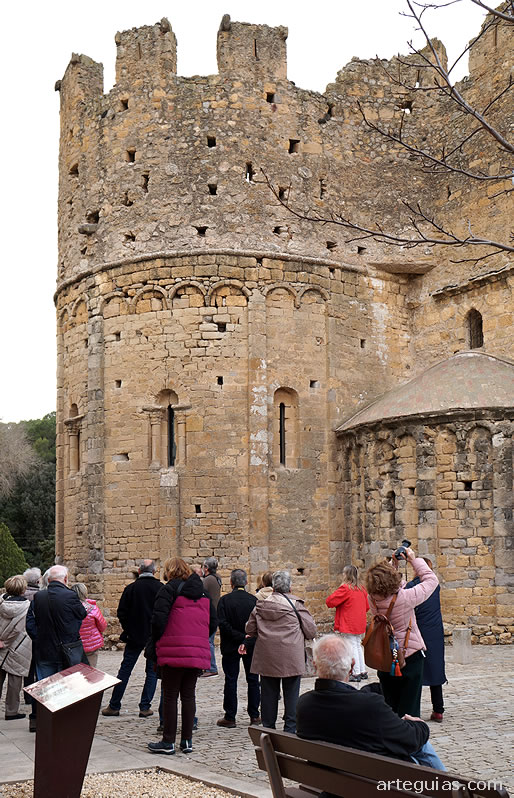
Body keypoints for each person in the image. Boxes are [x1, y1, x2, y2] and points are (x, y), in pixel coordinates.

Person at [297, 634, 445, 798]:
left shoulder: (304, 705)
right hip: (377, 787)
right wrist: (419, 725)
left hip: (333, 786)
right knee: (420, 744)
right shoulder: (369, 706)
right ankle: (448, 790)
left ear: (315, 665)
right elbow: (411, 739)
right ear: (352, 666)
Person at [147, 558, 216, 755]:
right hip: (196, 652)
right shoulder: (203, 593)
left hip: (172, 649)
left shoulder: (168, 590)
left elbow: (158, 620)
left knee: (169, 695)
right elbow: (213, 622)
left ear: (170, 571)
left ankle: (168, 741)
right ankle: (187, 741)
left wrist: (157, 642)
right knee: (188, 695)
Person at [365, 548, 438, 718]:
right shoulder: (405, 598)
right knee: (410, 709)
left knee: (390, 706)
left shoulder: (372, 598)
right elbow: (431, 580)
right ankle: (410, 740)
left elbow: (388, 586)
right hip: (408, 656)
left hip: (384, 655)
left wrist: (393, 565)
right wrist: (413, 559)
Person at [244, 570, 316, 734]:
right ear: (290, 587)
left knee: (268, 694)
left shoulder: (261, 605)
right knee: (291, 694)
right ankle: (290, 729)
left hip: (267, 655)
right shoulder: (297, 605)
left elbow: (250, 628)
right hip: (291, 655)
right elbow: (311, 631)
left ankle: (268, 729)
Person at [102, 559, 161, 718]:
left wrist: (129, 628)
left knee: (125, 670)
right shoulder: (161, 589)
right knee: (152, 672)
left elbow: (121, 612)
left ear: (139, 571)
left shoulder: (131, 589)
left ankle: (114, 705)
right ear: (154, 572)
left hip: (134, 635)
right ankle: (144, 707)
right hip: (153, 636)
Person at [216, 569, 260, 728]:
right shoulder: (253, 600)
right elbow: (258, 625)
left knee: (231, 679)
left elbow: (222, 623)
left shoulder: (224, 601)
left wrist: (239, 637)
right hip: (250, 644)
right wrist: (246, 638)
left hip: (230, 644)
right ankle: (255, 715)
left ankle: (230, 716)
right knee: (253, 680)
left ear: (231, 583)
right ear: (246, 582)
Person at [406, 557, 447, 722]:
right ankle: (438, 709)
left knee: (415, 670)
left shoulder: (411, 587)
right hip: (435, 632)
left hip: (418, 632)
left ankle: (413, 710)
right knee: (434, 669)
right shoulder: (435, 586)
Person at [325, 564, 369, 682]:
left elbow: (330, 601)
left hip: (348, 622)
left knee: (351, 646)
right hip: (359, 622)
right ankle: (362, 670)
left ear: (347, 575)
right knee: (358, 645)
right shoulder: (361, 589)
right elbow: (367, 607)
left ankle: (355, 672)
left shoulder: (346, 588)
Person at [0, 575, 31, 720]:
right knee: (14, 681)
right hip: (18, 646)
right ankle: (11, 711)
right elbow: (17, 629)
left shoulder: (1, 601)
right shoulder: (26, 606)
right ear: (23, 590)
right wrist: (5, 642)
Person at [71, 583, 107, 668]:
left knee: (75, 670)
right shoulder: (93, 608)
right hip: (92, 643)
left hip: (75, 644)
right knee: (91, 670)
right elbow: (102, 626)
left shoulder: (68, 608)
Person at [201, 556, 221, 676]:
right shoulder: (217, 578)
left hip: (209, 614)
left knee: (208, 641)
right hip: (215, 613)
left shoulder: (207, 580)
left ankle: (212, 667)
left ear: (206, 568)